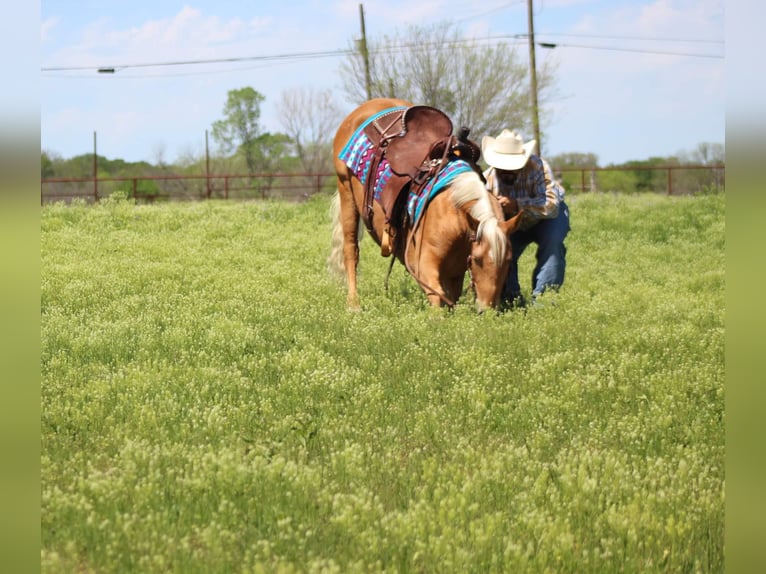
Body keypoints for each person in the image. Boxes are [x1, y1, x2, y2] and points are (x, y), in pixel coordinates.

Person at [482, 129, 570, 308]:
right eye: (502, 167)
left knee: (552, 244)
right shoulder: (488, 179)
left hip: (548, 218)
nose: (506, 171)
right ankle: (511, 297)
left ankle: (544, 301)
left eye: (511, 167)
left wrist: (517, 204)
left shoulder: (538, 167)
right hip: (513, 222)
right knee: (501, 248)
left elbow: (551, 205)